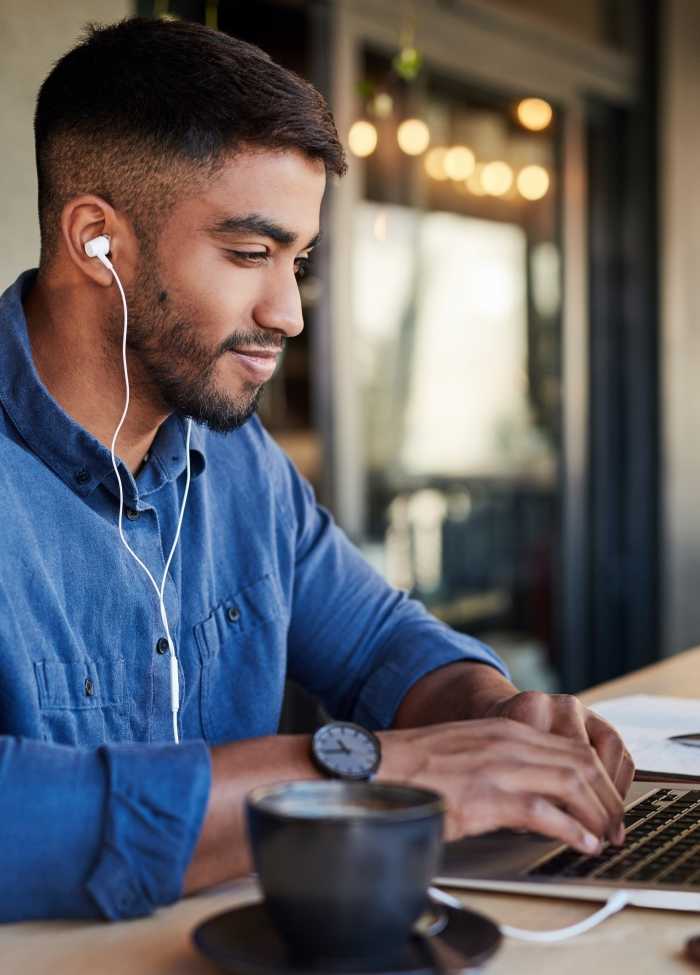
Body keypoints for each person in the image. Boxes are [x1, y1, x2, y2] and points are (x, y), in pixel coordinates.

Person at [0, 16, 633, 923]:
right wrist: (360, 766)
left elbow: (380, 643)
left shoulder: (236, 460)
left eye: (298, 260)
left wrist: (496, 715)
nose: (289, 312)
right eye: (251, 254)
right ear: (99, 240)